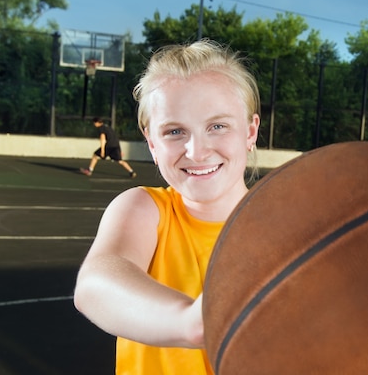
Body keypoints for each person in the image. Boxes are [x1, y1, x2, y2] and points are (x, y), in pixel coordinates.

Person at [73, 40, 260, 374]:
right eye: (175, 131)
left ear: (250, 131)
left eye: (217, 126)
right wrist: (191, 322)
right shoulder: (145, 209)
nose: (197, 151)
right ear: (152, 143)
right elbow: (94, 286)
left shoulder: (289, 228)